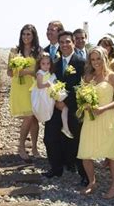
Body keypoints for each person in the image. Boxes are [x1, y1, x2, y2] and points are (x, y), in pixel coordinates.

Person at [77, 47, 114, 198]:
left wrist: (104, 108)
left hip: (107, 117)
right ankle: (92, 182)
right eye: (93, 59)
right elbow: (81, 97)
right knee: (85, 152)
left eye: (98, 58)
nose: (96, 62)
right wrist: (85, 104)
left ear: (104, 58)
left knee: (112, 153)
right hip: (90, 118)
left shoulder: (113, 76)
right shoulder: (87, 77)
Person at [43, 30, 87, 184]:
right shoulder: (54, 64)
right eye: (61, 42)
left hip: (74, 108)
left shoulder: (81, 63)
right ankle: (56, 168)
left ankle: (84, 174)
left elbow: (83, 88)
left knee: (77, 140)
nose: (65, 45)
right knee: (50, 138)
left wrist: (66, 103)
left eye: (68, 42)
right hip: (55, 107)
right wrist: (56, 101)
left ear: (73, 43)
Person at [7, 24, 41, 162]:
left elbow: (41, 71)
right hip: (19, 87)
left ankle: (34, 147)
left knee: (34, 118)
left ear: (33, 36)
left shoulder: (38, 51)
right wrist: (16, 70)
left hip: (32, 86)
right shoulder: (15, 51)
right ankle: (21, 146)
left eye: (29, 34)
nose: (26, 37)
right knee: (28, 116)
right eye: (24, 34)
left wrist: (27, 71)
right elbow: (9, 72)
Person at [30, 53, 73, 138]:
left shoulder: (49, 73)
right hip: (43, 95)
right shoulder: (40, 73)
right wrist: (47, 85)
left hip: (49, 93)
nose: (46, 66)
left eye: (48, 63)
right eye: (43, 64)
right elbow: (39, 85)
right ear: (39, 64)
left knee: (65, 107)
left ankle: (65, 126)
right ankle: (64, 126)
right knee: (56, 108)